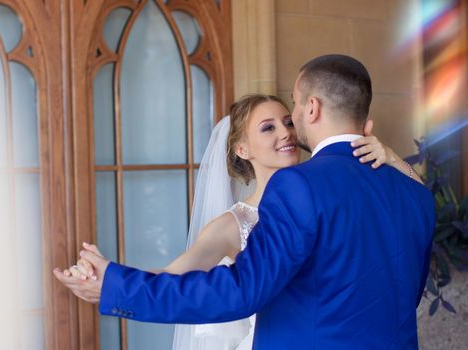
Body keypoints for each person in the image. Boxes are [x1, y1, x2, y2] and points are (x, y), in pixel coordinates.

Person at [55, 55, 435, 349]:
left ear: (313, 108)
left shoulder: (297, 186)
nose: (291, 123)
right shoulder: (415, 194)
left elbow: (241, 290)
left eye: (295, 106)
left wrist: (117, 286)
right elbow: (405, 294)